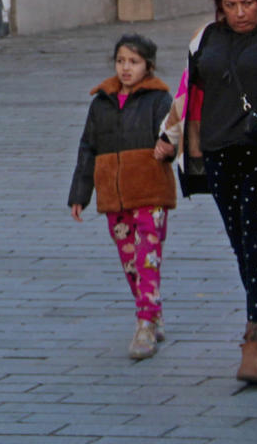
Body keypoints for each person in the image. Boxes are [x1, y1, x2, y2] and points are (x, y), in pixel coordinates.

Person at [175, 0, 257, 385]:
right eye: (231, 5)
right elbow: (191, 91)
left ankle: (256, 340)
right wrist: (183, 140)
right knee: (243, 246)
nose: (240, 13)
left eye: (248, 3)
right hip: (221, 152)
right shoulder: (206, 37)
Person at [68, 34, 177, 361]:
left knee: (147, 257)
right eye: (121, 61)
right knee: (130, 260)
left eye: (133, 62)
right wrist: (80, 193)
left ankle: (145, 322)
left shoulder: (159, 99)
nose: (126, 68)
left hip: (149, 189)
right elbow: (88, 147)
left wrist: (168, 149)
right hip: (114, 195)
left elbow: (172, 135)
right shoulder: (101, 101)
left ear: (148, 66)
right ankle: (151, 311)